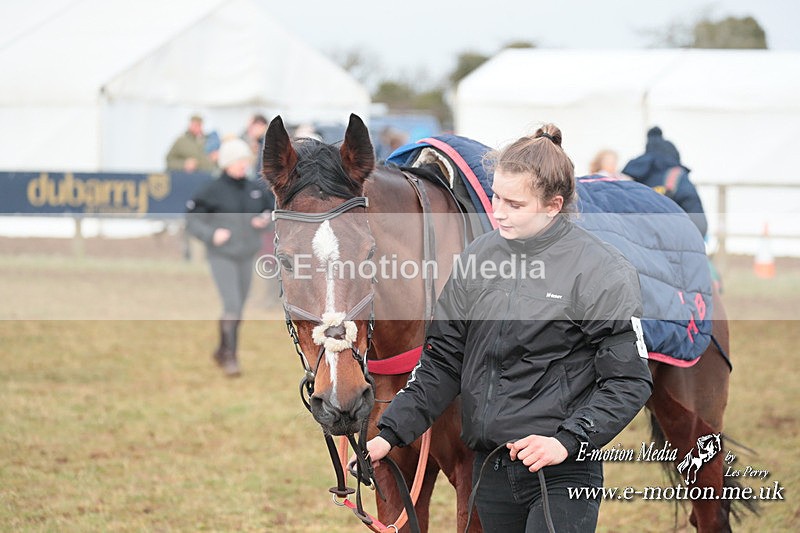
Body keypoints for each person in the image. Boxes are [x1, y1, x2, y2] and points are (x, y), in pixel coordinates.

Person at [363, 125, 653, 532]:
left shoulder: (600, 270)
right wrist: (390, 433)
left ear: (553, 205)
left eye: (514, 204)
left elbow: (628, 381)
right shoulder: (477, 258)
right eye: (496, 196)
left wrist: (565, 442)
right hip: (491, 471)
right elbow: (443, 362)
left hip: (561, 474)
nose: (497, 211)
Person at [185, 137, 274, 377]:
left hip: (246, 254)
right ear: (226, 163)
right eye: (237, 162)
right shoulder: (211, 189)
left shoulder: (254, 188)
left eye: (245, 161)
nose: (242, 166)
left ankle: (222, 349)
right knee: (232, 305)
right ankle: (231, 359)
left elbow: (270, 212)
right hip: (221, 256)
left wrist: (263, 221)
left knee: (238, 308)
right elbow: (192, 219)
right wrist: (211, 234)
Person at [621, 127, 708, 237]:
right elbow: (699, 222)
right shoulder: (677, 176)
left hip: (638, 243)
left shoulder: (633, 177)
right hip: (673, 241)